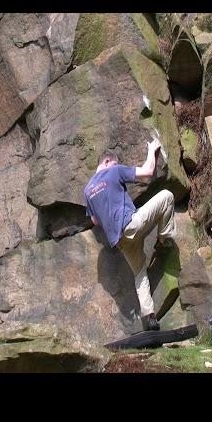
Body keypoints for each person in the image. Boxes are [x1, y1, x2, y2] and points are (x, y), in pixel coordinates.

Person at [84, 138, 176, 331]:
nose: (117, 166)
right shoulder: (114, 171)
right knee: (167, 196)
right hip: (131, 224)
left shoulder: (87, 191)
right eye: (115, 163)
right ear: (107, 162)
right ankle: (163, 240)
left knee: (139, 274)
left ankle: (149, 318)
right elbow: (147, 172)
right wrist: (152, 150)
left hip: (119, 241)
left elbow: (95, 221)